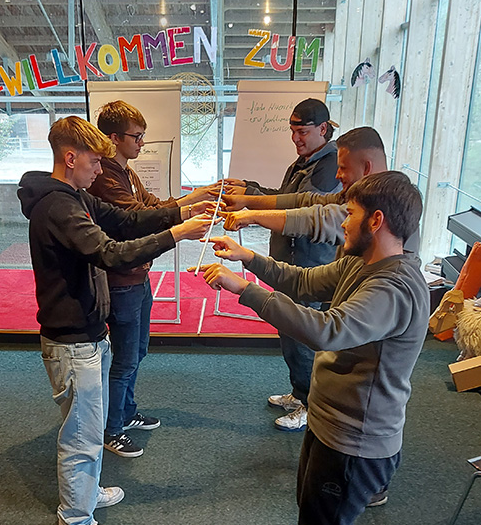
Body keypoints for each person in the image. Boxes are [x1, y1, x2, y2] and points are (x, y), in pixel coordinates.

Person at [195, 172, 429, 525]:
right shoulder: (360, 263)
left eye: (351, 214)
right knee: (316, 522)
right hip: (331, 425)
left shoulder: (394, 288)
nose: (342, 223)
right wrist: (249, 258)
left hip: (355, 441)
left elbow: (327, 331)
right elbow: (303, 282)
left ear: (377, 220)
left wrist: (245, 290)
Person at [18, 115, 212, 525]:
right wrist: (176, 233)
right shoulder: (58, 207)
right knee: (82, 435)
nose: (100, 170)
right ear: (71, 158)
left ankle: (86, 492)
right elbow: (109, 252)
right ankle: (75, 518)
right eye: (94, 161)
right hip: (72, 341)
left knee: (88, 426)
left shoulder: (76, 196)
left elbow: (124, 220)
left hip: (87, 333)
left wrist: (184, 210)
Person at [222, 125, 386, 431]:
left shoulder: (391, 279)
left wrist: (252, 215)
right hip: (346, 412)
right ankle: (306, 398)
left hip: (362, 425)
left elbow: (317, 217)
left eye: (343, 168)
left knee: (317, 345)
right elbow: (305, 203)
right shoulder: (353, 258)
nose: (337, 175)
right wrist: (247, 249)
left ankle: (311, 403)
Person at [88, 100, 216, 458]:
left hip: (138, 273)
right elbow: (137, 218)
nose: (142, 143)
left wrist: (197, 198)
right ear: (114, 138)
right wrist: (184, 219)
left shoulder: (126, 172)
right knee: (125, 358)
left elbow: (154, 206)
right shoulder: (107, 176)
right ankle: (112, 429)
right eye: (137, 137)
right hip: (121, 278)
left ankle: (125, 412)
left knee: (137, 350)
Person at [221, 98, 341, 432]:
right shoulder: (303, 162)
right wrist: (249, 191)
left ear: (323, 129)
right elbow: (286, 198)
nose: (295, 138)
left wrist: (251, 209)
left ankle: (312, 405)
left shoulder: (328, 165)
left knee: (302, 336)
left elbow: (301, 213)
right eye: (292, 130)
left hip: (309, 265)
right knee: (290, 332)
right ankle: (301, 393)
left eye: (302, 131)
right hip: (290, 262)